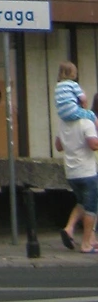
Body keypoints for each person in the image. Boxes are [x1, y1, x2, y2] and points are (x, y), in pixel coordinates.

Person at [57, 101, 98, 251]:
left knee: (82, 202)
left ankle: (69, 229)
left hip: (71, 172)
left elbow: (58, 146)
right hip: (87, 171)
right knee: (91, 207)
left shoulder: (63, 123)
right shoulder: (86, 122)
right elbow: (93, 145)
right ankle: (87, 244)